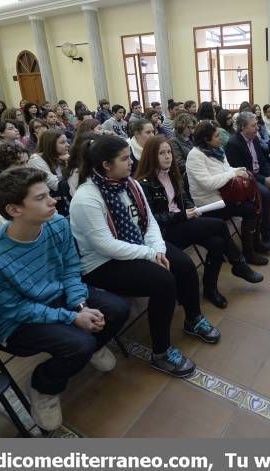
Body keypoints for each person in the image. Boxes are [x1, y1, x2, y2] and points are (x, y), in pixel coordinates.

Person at [0, 167, 129, 431]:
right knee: (80, 344)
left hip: (56, 297)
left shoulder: (57, 223)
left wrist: (80, 305)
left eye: (49, 194)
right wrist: (73, 318)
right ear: (14, 210)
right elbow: (16, 309)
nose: (53, 200)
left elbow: (70, 268)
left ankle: (93, 343)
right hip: (13, 322)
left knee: (118, 309)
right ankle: (44, 387)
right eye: (41, 198)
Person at [69, 135, 217, 378]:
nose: (132, 162)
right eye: (125, 158)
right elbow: (105, 245)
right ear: (106, 165)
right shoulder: (87, 198)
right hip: (103, 263)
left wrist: (157, 249)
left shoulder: (130, 184)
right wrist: (149, 253)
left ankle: (193, 319)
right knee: (163, 281)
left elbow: (148, 223)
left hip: (139, 246)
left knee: (184, 264)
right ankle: (161, 352)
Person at [136, 136, 263, 308]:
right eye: (161, 153)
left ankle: (211, 288)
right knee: (218, 225)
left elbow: (184, 197)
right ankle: (238, 264)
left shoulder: (172, 174)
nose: (167, 157)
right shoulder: (144, 184)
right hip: (165, 232)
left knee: (217, 243)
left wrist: (191, 209)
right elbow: (153, 220)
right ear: (151, 156)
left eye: (169, 152)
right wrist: (183, 216)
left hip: (183, 222)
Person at [186, 120, 270, 265]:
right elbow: (207, 183)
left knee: (255, 202)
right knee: (250, 209)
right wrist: (233, 174)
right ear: (206, 139)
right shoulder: (195, 156)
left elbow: (227, 169)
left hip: (225, 194)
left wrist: (239, 170)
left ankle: (255, 244)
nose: (221, 138)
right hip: (210, 202)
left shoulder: (217, 150)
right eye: (217, 136)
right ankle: (249, 253)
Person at [27, 129, 70, 215]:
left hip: (62, 199)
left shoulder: (61, 156)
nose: (68, 145)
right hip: (48, 204)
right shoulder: (36, 160)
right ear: (51, 145)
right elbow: (56, 185)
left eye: (66, 142)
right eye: (62, 142)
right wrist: (69, 165)